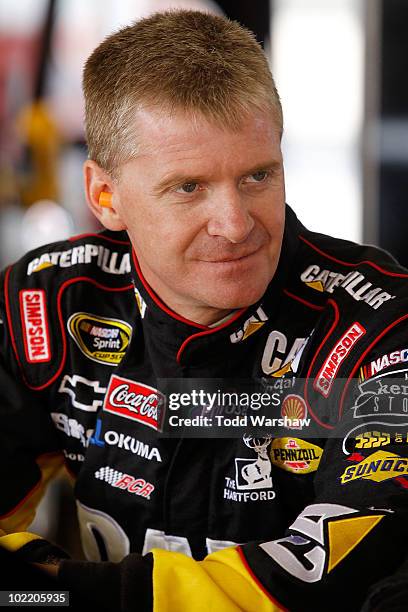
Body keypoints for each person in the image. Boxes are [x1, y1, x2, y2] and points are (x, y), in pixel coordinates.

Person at [1, 9, 408, 611]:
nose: (236, 224)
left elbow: (336, 579)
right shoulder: (50, 301)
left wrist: (46, 594)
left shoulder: (378, 322)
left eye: (257, 176)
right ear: (105, 196)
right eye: (189, 187)